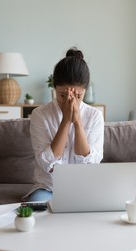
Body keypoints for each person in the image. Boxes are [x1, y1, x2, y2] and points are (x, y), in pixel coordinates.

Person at [26, 48, 104, 202]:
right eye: (63, 95)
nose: (70, 101)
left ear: (85, 91)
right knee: (37, 209)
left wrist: (77, 122)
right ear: (54, 89)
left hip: (85, 189)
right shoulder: (40, 114)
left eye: (78, 96)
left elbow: (91, 164)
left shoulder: (95, 116)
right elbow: (46, 163)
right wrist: (66, 121)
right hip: (49, 188)